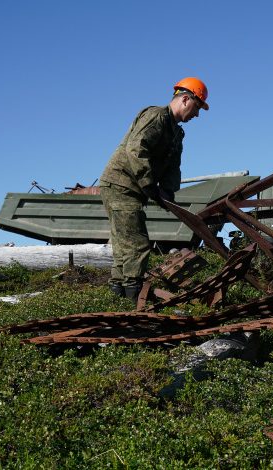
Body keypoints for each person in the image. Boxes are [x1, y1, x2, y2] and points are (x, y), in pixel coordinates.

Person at [99, 77, 209, 303]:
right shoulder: (156, 116)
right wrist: (149, 185)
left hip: (132, 188)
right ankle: (132, 298)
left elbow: (173, 167)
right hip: (121, 184)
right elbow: (136, 150)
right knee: (135, 243)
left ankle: (119, 296)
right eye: (197, 108)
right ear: (186, 99)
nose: (197, 115)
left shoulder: (177, 134)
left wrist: (168, 192)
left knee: (125, 242)